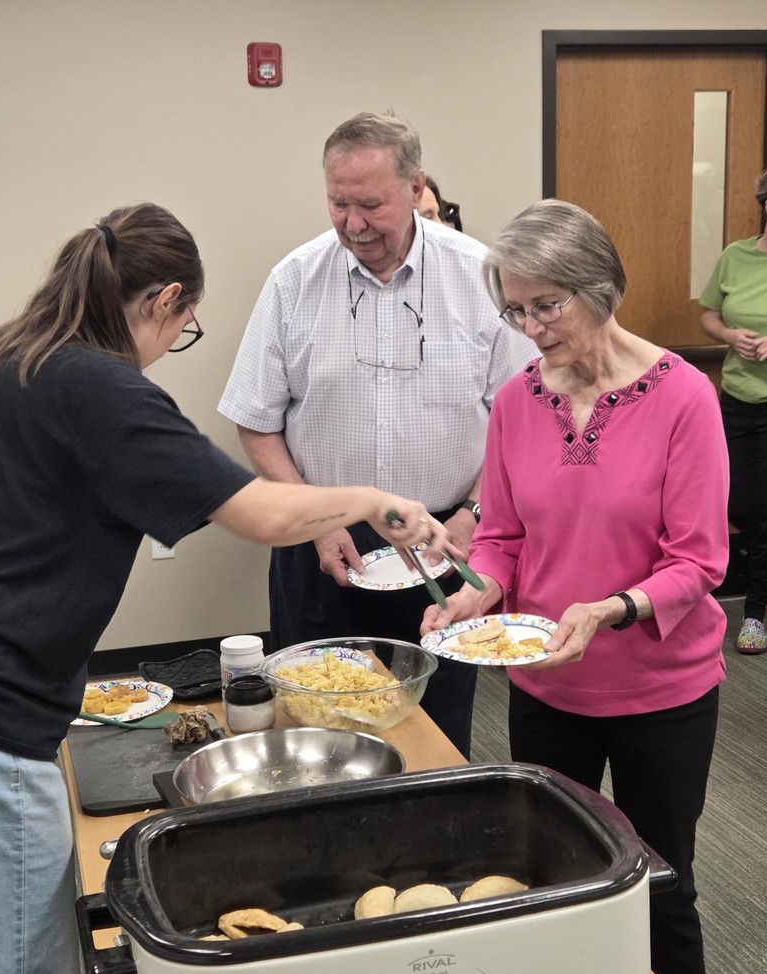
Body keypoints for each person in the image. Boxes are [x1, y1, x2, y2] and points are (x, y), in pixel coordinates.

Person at [0, 202, 455, 974]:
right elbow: (262, 515)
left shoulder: (17, 356)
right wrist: (377, 501)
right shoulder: (102, 387)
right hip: (7, 719)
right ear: (166, 300)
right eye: (186, 327)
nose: (176, 342)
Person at [421, 199, 729, 974]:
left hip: (661, 693)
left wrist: (611, 609)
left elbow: (698, 561)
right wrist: (476, 589)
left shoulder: (684, 397)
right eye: (515, 310)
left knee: (659, 884)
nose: (530, 328)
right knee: (551, 878)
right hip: (548, 687)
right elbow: (503, 536)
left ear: (602, 288)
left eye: (546, 306)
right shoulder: (517, 401)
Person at [219, 112, 537, 757]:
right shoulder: (294, 280)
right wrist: (316, 522)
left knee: (438, 728)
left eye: (370, 204)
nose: (353, 223)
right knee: (314, 722)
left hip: (448, 535)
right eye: (339, 203)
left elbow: (522, 416)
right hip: (322, 543)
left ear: (416, 187)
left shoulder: (481, 276)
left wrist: (478, 512)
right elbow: (256, 418)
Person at [699, 159, 767, 655]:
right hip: (734, 397)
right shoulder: (735, 257)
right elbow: (709, 314)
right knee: (727, 500)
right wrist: (730, 335)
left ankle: (754, 610)